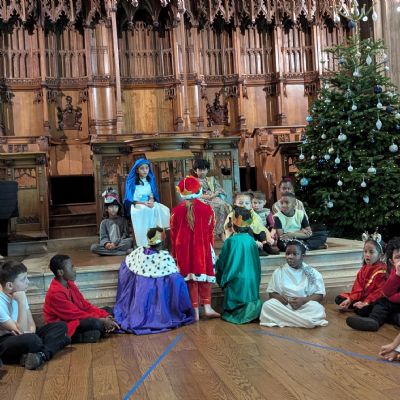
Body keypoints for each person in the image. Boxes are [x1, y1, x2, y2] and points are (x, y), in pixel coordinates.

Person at [114, 227, 195, 334]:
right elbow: (176, 280)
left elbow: (125, 268)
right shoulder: (165, 258)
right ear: (162, 242)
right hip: (159, 308)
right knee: (178, 280)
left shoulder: (137, 253)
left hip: (138, 305)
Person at [0, 261, 70, 369]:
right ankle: (50, 348)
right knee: (33, 340)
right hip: (5, 342)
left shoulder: (20, 293)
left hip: (23, 334)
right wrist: (21, 302)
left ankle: (39, 355)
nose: (28, 282)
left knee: (61, 326)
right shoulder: (7, 300)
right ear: (10, 285)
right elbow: (22, 331)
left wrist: (31, 331)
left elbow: (31, 325)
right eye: (23, 279)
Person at [170, 176, 220, 321]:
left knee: (190, 279)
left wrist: (174, 254)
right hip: (202, 248)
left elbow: (173, 234)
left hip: (183, 250)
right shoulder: (207, 209)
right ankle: (207, 308)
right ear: (199, 191)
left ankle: (195, 311)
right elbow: (211, 232)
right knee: (204, 276)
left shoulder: (176, 211)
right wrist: (210, 249)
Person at [43, 255, 119, 343]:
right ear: (60, 272)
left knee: (109, 310)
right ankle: (78, 337)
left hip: (76, 317)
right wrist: (102, 320)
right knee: (96, 323)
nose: (74, 270)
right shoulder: (55, 293)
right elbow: (75, 314)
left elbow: (84, 305)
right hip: (64, 325)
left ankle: (97, 331)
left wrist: (105, 315)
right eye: (71, 267)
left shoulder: (69, 284)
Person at [260, 239, 328, 328]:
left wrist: (303, 300)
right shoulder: (279, 271)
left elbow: (319, 295)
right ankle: (305, 321)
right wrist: (279, 297)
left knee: (317, 309)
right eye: (288, 253)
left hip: (304, 305)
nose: (290, 257)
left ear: (302, 256)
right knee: (268, 305)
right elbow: (272, 293)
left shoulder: (311, 272)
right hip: (285, 306)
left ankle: (290, 320)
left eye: (295, 254)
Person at [216, 207, 261, 324]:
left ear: (233, 224)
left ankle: (238, 313)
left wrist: (220, 279)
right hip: (252, 281)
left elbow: (221, 263)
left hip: (236, 281)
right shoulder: (252, 241)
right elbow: (257, 265)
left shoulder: (230, 241)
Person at [346, 237, 400, 331]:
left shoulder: (382, 269)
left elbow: (385, 294)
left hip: (394, 300)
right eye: (397, 257)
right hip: (393, 303)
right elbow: (386, 292)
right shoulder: (394, 271)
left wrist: (390, 298)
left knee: (381, 304)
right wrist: (397, 274)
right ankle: (373, 321)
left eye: (371, 252)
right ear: (392, 261)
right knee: (382, 303)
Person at [123, 159, 170, 247]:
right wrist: (144, 203)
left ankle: (157, 239)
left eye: (147, 168)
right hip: (138, 205)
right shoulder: (132, 182)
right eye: (142, 168)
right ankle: (144, 242)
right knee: (146, 210)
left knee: (163, 209)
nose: (145, 170)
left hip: (148, 203)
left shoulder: (149, 181)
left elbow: (152, 194)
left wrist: (151, 200)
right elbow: (132, 199)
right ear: (137, 170)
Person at [335, 238, 386, 316]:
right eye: (365, 251)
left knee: (364, 310)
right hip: (361, 297)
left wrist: (366, 302)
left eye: (371, 252)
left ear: (380, 255)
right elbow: (357, 288)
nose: (367, 255)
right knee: (338, 298)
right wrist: (350, 299)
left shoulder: (383, 270)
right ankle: (354, 306)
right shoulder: (364, 268)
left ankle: (356, 307)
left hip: (373, 300)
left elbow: (379, 292)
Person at [193, 158, 231, 239]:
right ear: (195, 171)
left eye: (204, 170)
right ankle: (207, 232)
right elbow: (193, 193)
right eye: (200, 170)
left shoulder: (211, 179)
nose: (202, 172)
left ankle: (220, 231)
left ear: (207, 170)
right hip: (200, 198)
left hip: (213, 196)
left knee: (223, 205)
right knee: (205, 208)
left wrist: (214, 195)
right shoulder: (193, 181)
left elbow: (218, 188)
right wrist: (205, 196)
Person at [90, 188, 133, 256]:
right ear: (107, 209)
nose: (114, 209)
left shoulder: (123, 220)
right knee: (94, 247)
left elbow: (125, 235)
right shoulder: (104, 222)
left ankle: (110, 252)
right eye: (111, 207)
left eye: (116, 207)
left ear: (118, 208)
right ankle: (123, 253)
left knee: (129, 241)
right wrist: (107, 243)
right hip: (109, 245)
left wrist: (115, 243)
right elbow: (103, 237)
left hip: (119, 243)